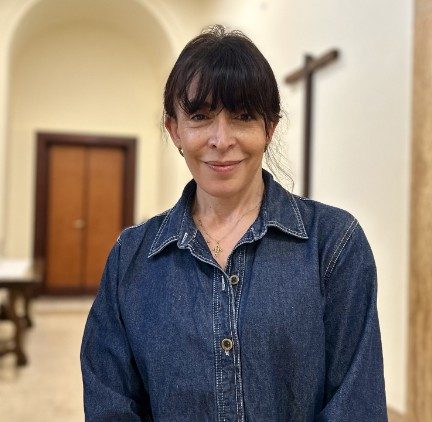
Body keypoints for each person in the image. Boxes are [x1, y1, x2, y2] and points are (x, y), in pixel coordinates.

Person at [80, 25, 387, 421]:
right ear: (174, 129)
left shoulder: (333, 245)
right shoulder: (131, 258)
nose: (221, 140)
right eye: (200, 116)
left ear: (269, 128)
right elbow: (110, 403)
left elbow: (355, 405)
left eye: (242, 117)